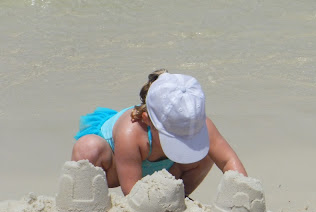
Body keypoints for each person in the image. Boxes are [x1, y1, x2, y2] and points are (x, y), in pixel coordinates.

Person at [72, 69, 247, 195]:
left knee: (206, 151)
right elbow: (131, 192)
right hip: (116, 168)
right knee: (88, 147)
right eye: (173, 136)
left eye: (186, 136)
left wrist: (244, 191)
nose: (181, 141)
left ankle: (178, 197)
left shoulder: (199, 123)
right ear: (147, 120)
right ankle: (85, 203)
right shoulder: (132, 131)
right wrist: (141, 202)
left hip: (164, 170)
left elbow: (228, 161)